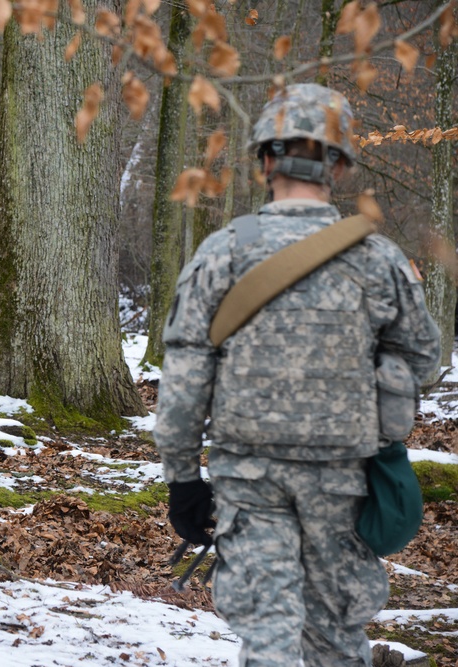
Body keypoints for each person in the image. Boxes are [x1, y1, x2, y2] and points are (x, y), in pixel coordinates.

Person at [154, 84, 440, 667]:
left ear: (264, 160)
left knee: (268, 632)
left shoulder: (223, 252)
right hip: (343, 479)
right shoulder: (377, 258)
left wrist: (182, 479)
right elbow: (425, 360)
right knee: (335, 637)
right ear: (337, 165)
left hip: (249, 476)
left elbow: (184, 375)